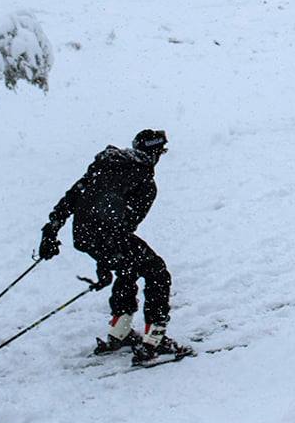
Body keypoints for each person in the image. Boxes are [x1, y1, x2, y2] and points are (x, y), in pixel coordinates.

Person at [37, 128, 191, 366]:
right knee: (157, 272)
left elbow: (74, 196)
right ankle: (155, 340)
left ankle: (120, 331)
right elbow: (123, 224)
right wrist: (110, 255)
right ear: (157, 152)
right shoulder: (145, 182)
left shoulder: (105, 165)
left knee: (129, 267)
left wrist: (51, 231)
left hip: (83, 235)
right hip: (108, 234)